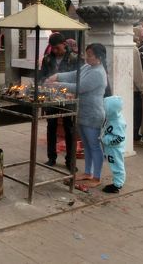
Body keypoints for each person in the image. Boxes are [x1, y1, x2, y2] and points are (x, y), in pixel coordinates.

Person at [47, 43, 109, 189]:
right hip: (82, 112)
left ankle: (97, 176)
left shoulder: (98, 73)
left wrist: (56, 85)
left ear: (99, 57)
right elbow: (74, 75)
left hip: (93, 114)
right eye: (86, 54)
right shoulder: (88, 67)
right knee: (87, 145)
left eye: (90, 55)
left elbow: (79, 87)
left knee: (94, 146)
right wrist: (56, 76)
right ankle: (88, 172)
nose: (87, 58)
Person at [40, 33, 80, 168]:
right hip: (51, 96)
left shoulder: (74, 58)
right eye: (53, 48)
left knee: (69, 129)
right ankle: (51, 157)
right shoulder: (47, 59)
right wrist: (44, 82)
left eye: (57, 48)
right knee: (51, 127)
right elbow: (41, 76)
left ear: (64, 44)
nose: (55, 51)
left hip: (68, 97)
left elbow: (78, 79)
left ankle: (70, 160)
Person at [101, 95, 127, 193]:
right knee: (114, 164)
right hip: (111, 147)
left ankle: (117, 185)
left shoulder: (118, 122)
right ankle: (117, 182)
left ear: (111, 110)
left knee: (117, 165)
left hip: (115, 149)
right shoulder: (112, 118)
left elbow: (120, 137)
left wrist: (105, 139)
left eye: (105, 108)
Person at [133, 43, 143, 142]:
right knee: (137, 113)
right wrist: (142, 88)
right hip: (133, 88)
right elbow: (137, 71)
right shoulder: (133, 49)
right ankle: (134, 134)